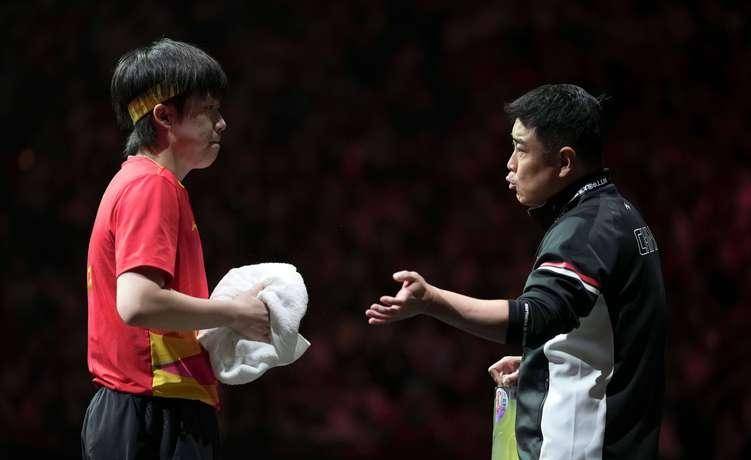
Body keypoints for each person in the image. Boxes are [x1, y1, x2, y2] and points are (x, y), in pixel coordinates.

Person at [366, 84, 667, 460]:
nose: (510, 163)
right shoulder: (619, 214)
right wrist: (543, 363)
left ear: (564, 162)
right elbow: (614, 338)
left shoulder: (585, 232)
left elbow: (532, 318)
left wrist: (431, 300)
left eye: (521, 149)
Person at [82, 38, 271, 459]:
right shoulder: (152, 185)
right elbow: (138, 303)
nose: (222, 123)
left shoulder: (139, 182)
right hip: (153, 410)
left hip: (147, 407)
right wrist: (235, 313)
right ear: (165, 116)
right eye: (209, 110)